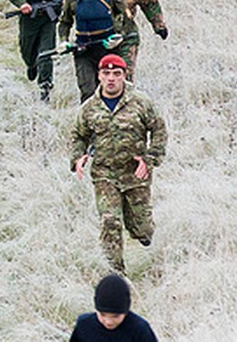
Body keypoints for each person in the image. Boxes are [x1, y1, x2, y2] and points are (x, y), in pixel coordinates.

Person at [71, 55, 167, 274]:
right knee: (110, 222)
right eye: (106, 74)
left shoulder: (141, 102)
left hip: (135, 174)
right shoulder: (89, 108)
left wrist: (150, 159)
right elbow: (78, 134)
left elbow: (159, 129)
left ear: (125, 75)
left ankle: (146, 241)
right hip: (105, 174)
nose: (111, 79)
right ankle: (116, 274)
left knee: (141, 229)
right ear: (99, 76)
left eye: (116, 74)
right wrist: (78, 157)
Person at [58, 0, 131, 102]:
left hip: (108, 49)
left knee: (112, 90)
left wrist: (119, 37)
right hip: (83, 50)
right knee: (88, 91)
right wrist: (64, 41)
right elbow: (65, 22)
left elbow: (127, 19)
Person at [69, 274, 158, 341]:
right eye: (103, 315)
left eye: (115, 316)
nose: (108, 322)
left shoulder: (140, 330)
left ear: (126, 311)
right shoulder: (84, 326)